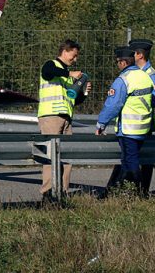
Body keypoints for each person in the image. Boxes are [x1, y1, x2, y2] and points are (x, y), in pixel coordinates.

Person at [96, 46, 155, 193]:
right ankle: (123, 190)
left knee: (130, 161)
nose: (117, 65)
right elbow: (153, 100)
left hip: (128, 129)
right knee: (130, 160)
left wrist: (101, 123)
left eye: (118, 62)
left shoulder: (123, 80)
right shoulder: (145, 76)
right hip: (143, 128)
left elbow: (113, 105)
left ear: (123, 63)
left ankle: (137, 191)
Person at [37, 39, 91, 200]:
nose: (75, 60)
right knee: (50, 156)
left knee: (67, 156)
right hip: (51, 116)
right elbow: (48, 73)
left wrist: (84, 93)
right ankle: (48, 193)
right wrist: (69, 74)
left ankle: (63, 192)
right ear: (65, 51)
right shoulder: (51, 65)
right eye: (73, 56)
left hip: (66, 118)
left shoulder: (67, 76)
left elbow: (73, 99)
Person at [130, 39, 155, 195]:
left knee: (145, 161)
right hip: (133, 125)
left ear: (139, 55)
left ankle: (142, 192)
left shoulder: (151, 75)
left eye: (132, 53)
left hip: (145, 124)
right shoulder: (135, 73)